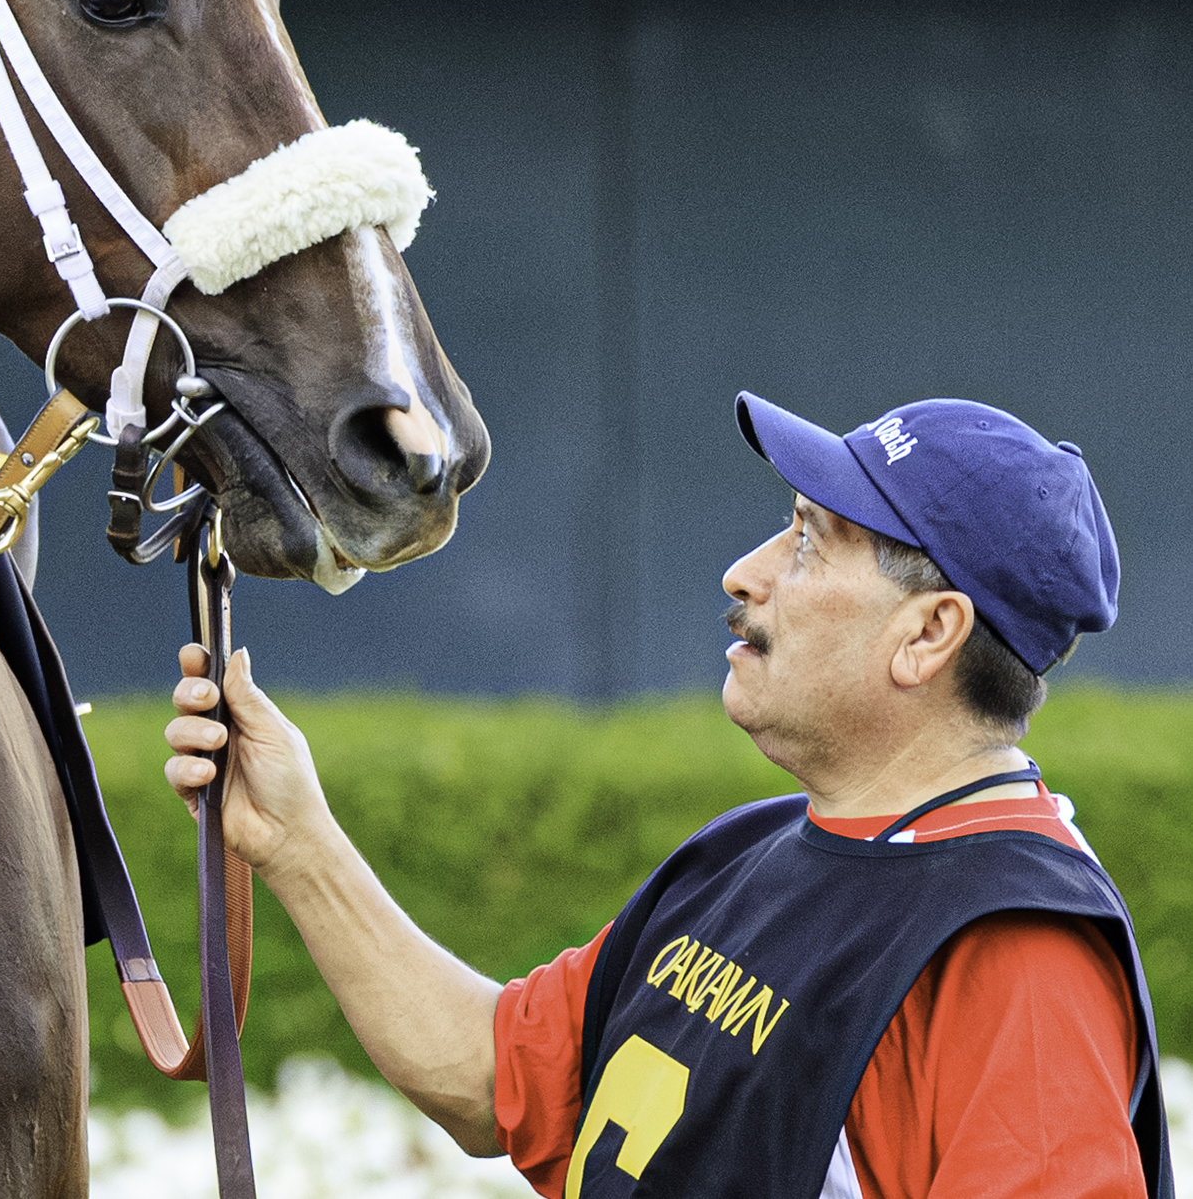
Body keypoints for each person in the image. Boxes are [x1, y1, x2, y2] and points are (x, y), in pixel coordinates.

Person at [164, 394, 1172, 1199]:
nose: (744, 573)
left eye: (812, 542)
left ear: (928, 634)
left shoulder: (1012, 948)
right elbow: (488, 1077)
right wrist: (294, 839)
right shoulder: (747, 852)